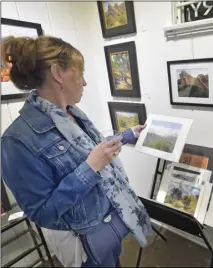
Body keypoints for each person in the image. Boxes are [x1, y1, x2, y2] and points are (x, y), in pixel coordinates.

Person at [1, 35, 153, 267]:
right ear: (58, 73)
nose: (84, 82)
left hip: (110, 227)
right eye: (80, 73)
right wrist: (90, 168)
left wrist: (128, 134)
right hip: (85, 244)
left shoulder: (72, 115)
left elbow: (91, 151)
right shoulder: (16, 141)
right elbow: (43, 213)